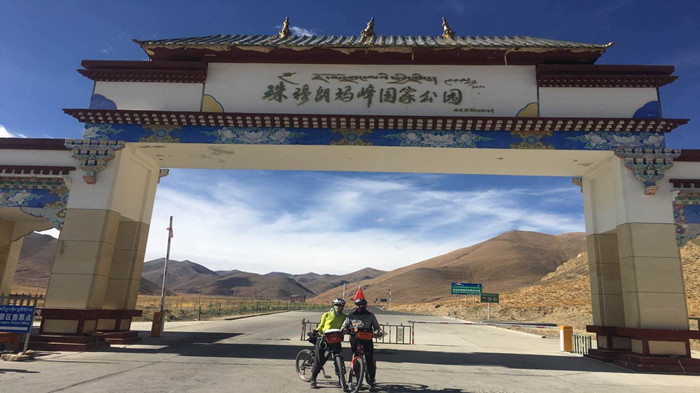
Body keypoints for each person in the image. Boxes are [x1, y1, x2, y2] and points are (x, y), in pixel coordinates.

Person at [341, 297, 381, 392]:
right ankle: (353, 381)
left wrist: (377, 332)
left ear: (366, 306)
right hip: (355, 339)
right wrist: (345, 330)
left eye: (362, 305)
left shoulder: (371, 316)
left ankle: (372, 381)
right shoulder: (351, 316)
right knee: (355, 358)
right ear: (356, 306)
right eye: (358, 305)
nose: (360, 307)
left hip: (367, 339)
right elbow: (344, 326)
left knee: (369, 359)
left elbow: (376, 327)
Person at [309, 298, 347, 389]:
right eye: (336, 305)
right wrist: (317, 331)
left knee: (339, 359)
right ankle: (313, 379)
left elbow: (346, 326)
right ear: (333, 305)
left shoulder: (345, 317)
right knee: (319, 359)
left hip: (336, 340)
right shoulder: (326, 314)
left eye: (340, 305)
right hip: (324, 339)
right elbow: (321, 325)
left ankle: (341, 379)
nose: (338, 307)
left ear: (343, 306)